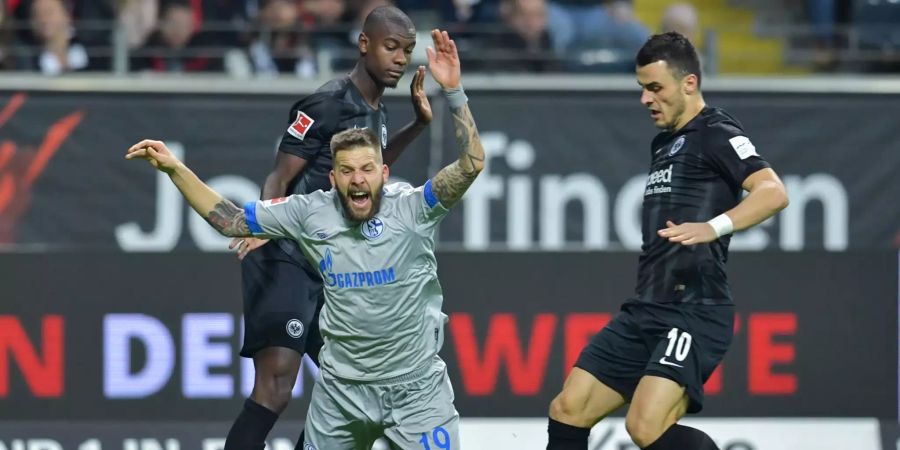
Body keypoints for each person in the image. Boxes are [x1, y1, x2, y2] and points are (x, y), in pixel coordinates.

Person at [126, 28, 477, 449]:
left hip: (415, 389)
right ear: (333, 179)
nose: (357, 180)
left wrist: (454, 92)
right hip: (341, 391)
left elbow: (471, 164)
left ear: (384, 173)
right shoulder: (313, 208)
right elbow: (231, 218)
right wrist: (174, 169)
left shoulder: (413, 208)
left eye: (367, 169)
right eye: (346, 172)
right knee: (275, 381)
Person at [546, 31, 790, 450]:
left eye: (655, 88)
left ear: (689, 83)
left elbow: (773, 192)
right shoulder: (665, 143)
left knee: (645, 427)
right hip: (647, 307)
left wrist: (712, 227)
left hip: (694, 309)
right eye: (642, 89)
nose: (646, 99)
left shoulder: (716, 131)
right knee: (569, 407)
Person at [224, 5, 432, 450]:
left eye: (408, 51)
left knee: (357, 395)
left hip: (330, 268)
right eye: (391, 47)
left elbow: (375, 168)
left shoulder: (376, 111)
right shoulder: (327, 102)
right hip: (286, 255)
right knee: (276, 386)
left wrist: (418, 124)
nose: (400, 58)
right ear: (364, 44)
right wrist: (266, 223)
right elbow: (280, 175)